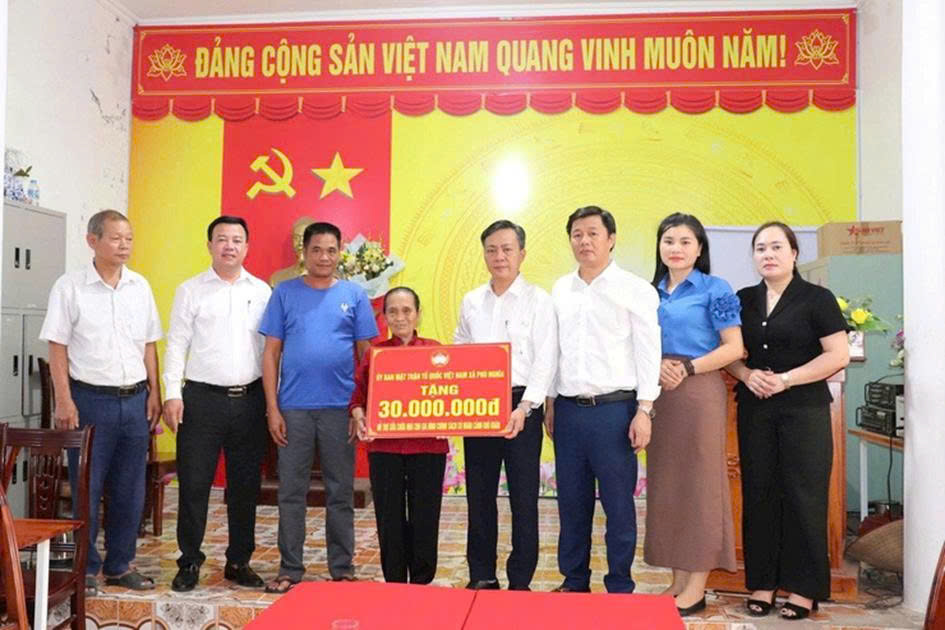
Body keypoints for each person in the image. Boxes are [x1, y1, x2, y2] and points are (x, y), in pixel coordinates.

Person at [726, 221, 849, 621]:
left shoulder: (817, 298)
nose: (768, 254)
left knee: (803, 497)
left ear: (794, 253)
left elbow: (838, 355)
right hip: (756, 409)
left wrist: (787, 379)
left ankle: (803, 589)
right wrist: (746, 374)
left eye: (777, 247)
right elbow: (729, 351)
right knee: (760, 494)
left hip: (804, 410)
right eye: (760, 248)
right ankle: (762, 583)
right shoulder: (743, 299)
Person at [39, 209, 162, 592]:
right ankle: (86, 569)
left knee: (130, 488)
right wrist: (64, 400)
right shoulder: (70, 287)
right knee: (87, 488)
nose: (124, 245)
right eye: (115, 238)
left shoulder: (139, 286)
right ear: (92, 241)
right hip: (90, 401)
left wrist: (155, 392)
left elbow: (149, 344)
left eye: (129, 238)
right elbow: (57, 346)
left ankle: (120, 564)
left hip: (135, 400)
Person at [259, 221, 379, 593]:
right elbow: (271, 354)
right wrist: (272, 408)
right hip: (293, 409)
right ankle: (289, 569)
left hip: (341, 410)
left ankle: (342, 568)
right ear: (305, 252)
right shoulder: (284, 293)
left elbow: (367, 356)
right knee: (290, 492)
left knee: (340, 492)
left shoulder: (354, 295)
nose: (324, 257)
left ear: (340, 252)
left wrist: (362, 407)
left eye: (331, 250)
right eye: (316, 250)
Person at [547, 205, 661, 594]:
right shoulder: (561, 289)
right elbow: (554, 351)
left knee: (618, 505)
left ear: (611, 239)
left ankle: (619, 584)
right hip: (568, 411)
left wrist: (644, 410)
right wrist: (550, 402)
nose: (585, 241)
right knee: (571, 503)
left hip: (615, 412)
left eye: (593, 233)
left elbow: (649, 352)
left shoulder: (635, 289)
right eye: (577, 234)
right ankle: (574, 580)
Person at [163, 215, 272, 592]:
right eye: (222, 239)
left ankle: (239, 560)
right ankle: (189, 560)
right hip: (201, 401)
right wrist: (172, 394)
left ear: (247, 247)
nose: (229, 246)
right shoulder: (190, 290)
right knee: (194, 484)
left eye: (237, 240)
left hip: (250, 401)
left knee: (245, 486)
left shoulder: (262, 291)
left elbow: (270, 350)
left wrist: (272, 400)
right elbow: (176, 343)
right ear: (209, 245)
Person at [643, 213, 743, 615]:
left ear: (700, 248)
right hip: (659, 394)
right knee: (668, 486)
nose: (676, 248)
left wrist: (687, 367)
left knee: (700, 485)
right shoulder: (649, 292)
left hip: (699, 390)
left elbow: (733, 347)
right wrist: (655, 367)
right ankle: (678, 580)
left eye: (685, 241)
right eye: (668, 240)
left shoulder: (716, 289)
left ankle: (698, 586)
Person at [453, 220, 557, 591]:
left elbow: (546, 359)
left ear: (522, 254)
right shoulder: (471, 301)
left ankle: (520, 578)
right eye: (492, 250)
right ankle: (482, 573)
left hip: (521, 405)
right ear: (484, 255)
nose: (499, 256)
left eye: (507, 249)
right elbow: (460, 349)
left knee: (523, 497)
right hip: (479, 406)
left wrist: (526, 407)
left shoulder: (539, 300)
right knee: (479, 494)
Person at [348, 287, 449, 584]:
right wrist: (359, 415)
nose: (400, 317)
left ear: (418, 314)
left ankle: (421, 583)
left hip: (428, 449)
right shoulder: (375, 354)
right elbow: (357, 398)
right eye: (393, 311)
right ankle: (394, 582)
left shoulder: (436, 352)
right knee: (389, 518)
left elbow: (452, 393)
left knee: (425, 517)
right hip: (385, 449)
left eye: (407, 310)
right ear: (385, 317)